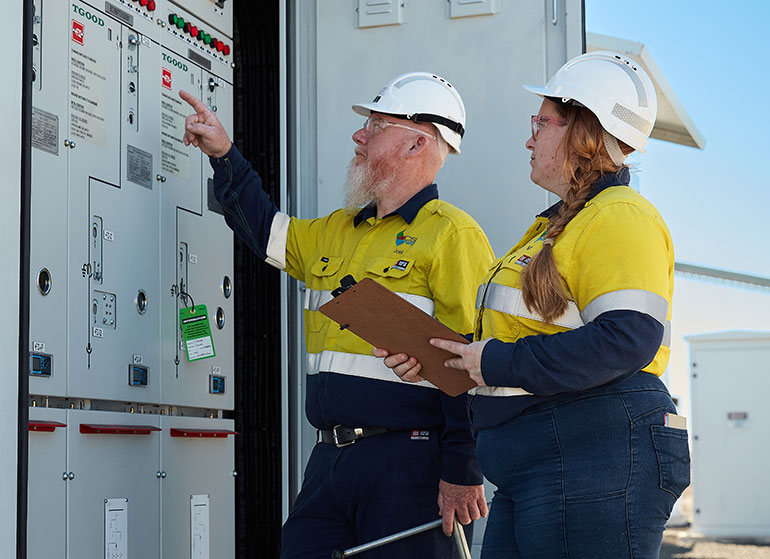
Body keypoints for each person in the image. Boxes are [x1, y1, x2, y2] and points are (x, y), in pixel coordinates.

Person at [377, 52, 690, 558]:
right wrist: (443, 364)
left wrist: (494, 361)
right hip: (546, 464)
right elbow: (529, 344)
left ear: (583, 131)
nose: (529, 138)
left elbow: (628, 338)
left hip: (593, 457)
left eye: (541, 122)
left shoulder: (622, 215)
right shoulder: (554, 226)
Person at [179, 72, 494, 558]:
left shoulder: (453, 235)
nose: (359, 135)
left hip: (409, 465)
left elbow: (470, 366)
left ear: (416, 143)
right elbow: (263, 228)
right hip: (329, 461)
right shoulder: (336, 229)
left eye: (375, 124)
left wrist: (461, 470)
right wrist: (225, 155)